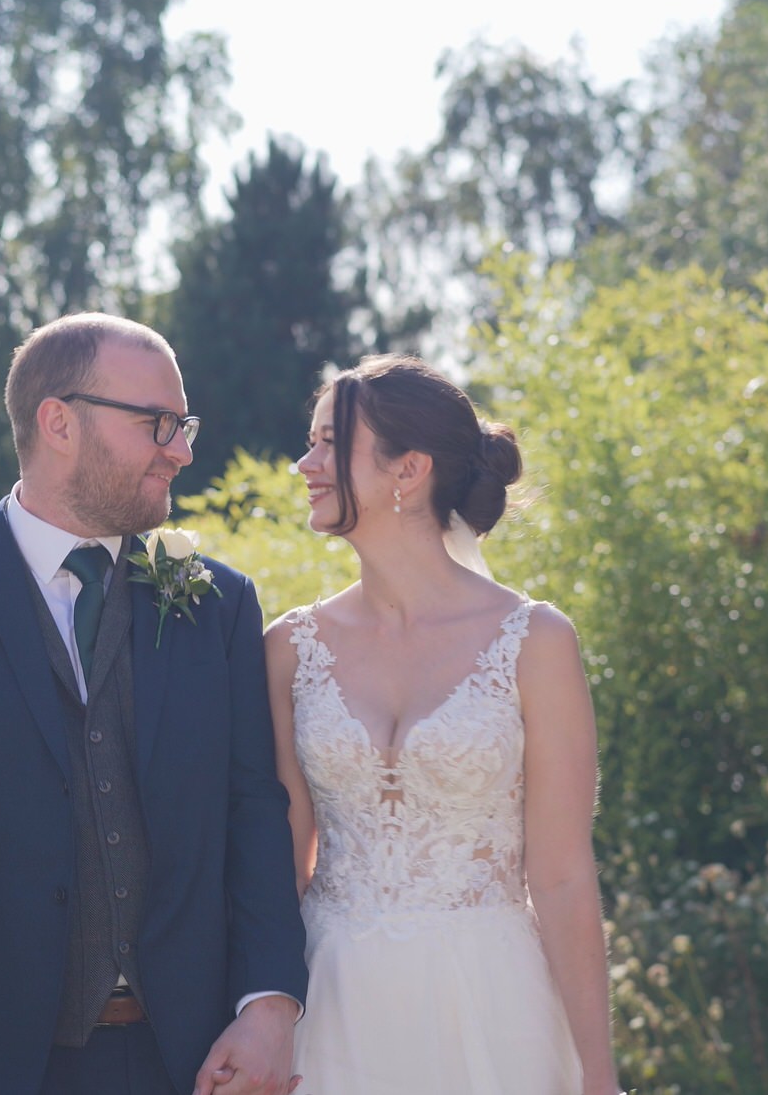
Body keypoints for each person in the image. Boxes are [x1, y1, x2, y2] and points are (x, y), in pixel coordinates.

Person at [0, 312, 308, 1095]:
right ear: (58, 422)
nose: (181, 449)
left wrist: (270, 1005)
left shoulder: (218, 604)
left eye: (183, 424)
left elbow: (254, 813)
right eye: (158, 423)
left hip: (198, 1060)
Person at [265, 354, 620, 1094]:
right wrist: (258, 1017)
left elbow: (559, 875)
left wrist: (598, 1074)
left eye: (329, 442)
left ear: (408, 469)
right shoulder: (288, 648)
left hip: (492, 1006)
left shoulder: (536, 641)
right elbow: (282, 867)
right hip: (331, 1009)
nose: (306, 463)